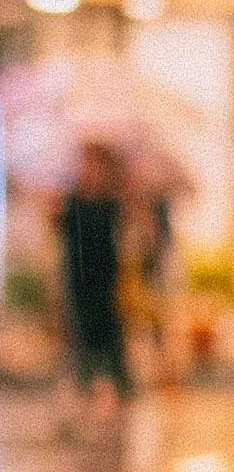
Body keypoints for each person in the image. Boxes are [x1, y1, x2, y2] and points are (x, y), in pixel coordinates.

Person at [56, 144, 133, 425]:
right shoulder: (71, 202)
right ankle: (83, 398)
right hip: (77, 283)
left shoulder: (113, 203)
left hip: (104, 283)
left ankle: (107, 399)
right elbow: (62, 237)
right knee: (80, 341)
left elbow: (122, 242)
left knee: (106, 340)